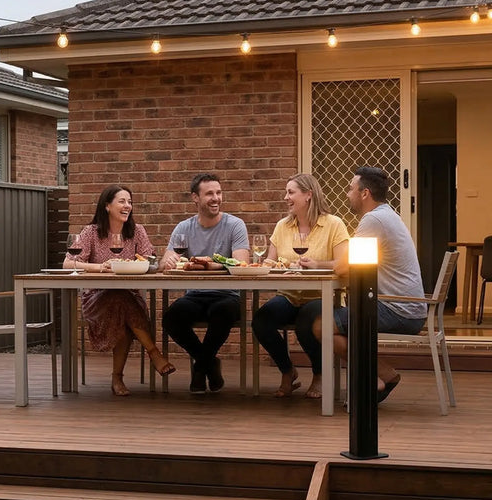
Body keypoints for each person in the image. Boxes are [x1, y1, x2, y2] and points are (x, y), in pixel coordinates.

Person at [314, 166, 426, 402]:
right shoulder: (386, 215)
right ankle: (376, 376)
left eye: (350, 189)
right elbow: (348, 263)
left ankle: (381, 374)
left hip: (400, 310)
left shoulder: (374, 219)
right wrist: (317, 264)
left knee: (321, 325)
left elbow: (344, 266)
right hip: (406, 307)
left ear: (364, 193)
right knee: (334, 320)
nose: (347, 194)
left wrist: (325, 265)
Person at [63, 184, 175, 396]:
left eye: (130, 202)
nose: (127, 206)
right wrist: (99, 267)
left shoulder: (137, 231)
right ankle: (153, 353)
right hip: (96, 298)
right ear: (107, 206)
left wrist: (159, 264)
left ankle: (118, 378)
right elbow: (68, 263)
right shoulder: (91, 232)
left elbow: (150, 262)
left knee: (121, 300)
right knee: (118, 299)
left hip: (129, 296)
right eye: (122, 201)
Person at [251, 173, 349, 400]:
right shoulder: (282, 226)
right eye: (286, 192)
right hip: (289, 294)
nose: (286, 197)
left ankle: (319, 374)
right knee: (261, 320)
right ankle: (288, 371)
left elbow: (343, 264)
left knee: (307, 321)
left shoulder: (333, 224)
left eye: (291, 192)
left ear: (308, 195)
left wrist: (317, 265)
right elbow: (270, 261)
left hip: (322, 296)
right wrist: (272, 265)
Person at [159, 172, 250, 393]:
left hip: (228, 295)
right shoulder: (184, 228)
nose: (216, 198)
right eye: (209, 193)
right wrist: (169, 260)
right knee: (171, 318)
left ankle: (200, 368)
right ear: (195, 198)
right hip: (195, 295)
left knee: (222, 313)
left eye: (218, 193)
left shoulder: (235, 225)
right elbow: (164, 263)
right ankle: (208, 362)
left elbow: (242, 263)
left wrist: (213, 265)